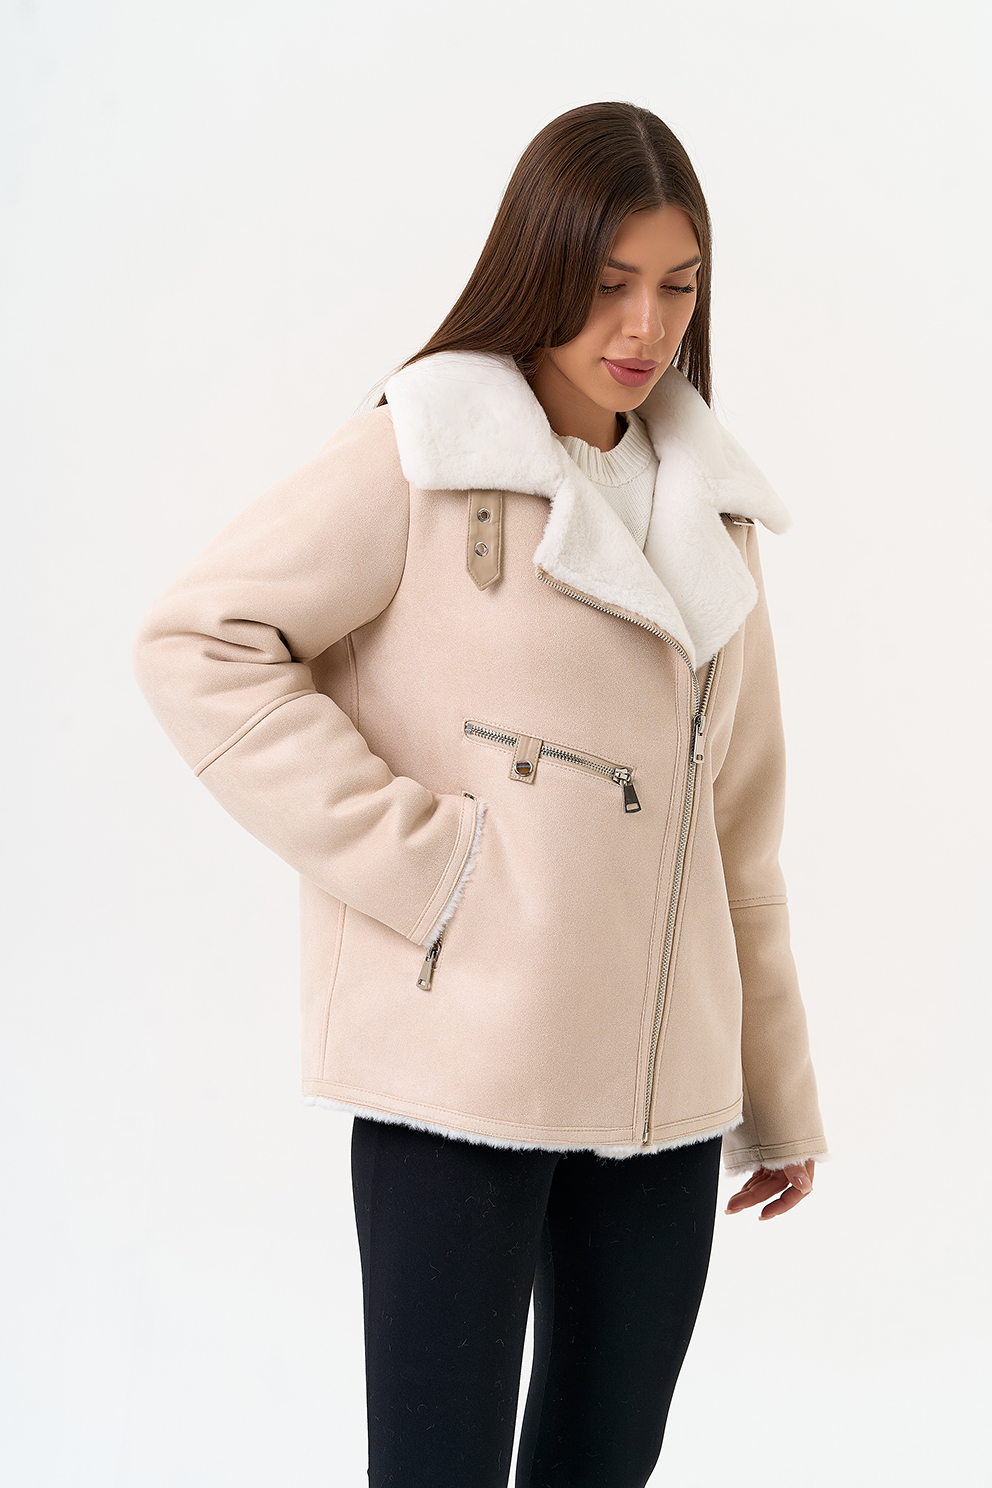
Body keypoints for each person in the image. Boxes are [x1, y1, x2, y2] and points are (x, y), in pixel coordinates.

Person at [134, 101, 829, 1488]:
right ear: (540, 265)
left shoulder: (714, 511)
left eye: (677, 286)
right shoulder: (421, 451)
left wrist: (777, 1092)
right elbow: (199, 642)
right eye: (610, 281)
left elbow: (737, 828)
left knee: (604, 1464)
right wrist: (429, 868)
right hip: (460, 1076)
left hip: (667, 1099)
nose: (644, 326)